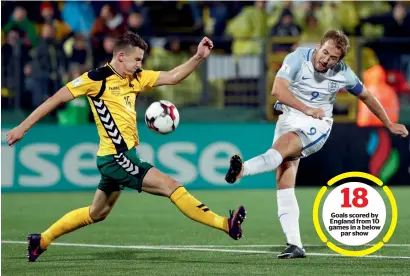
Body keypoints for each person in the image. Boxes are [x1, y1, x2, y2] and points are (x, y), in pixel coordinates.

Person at [6, 32, 246, 262]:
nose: (140, 64)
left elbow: (173, 76)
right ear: (121, 56)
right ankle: (226, 224)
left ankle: (42, 240)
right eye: (137, 59)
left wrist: (198, 57)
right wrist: (22, 128)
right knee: (171, 186)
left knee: (96, 213)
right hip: (116, 158)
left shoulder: (136, 77)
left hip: (119, 157)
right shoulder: (96, 79)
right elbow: (55, 99)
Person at [224, 29, 408, 259]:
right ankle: (295, 244)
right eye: (325, 53)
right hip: (290, 115)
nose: (326, 60)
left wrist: (389, 123)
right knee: (283, 179)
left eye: (333, 58)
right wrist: (305, 108)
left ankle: (243, 169)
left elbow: (367, 96)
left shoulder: (343, 73)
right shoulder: (298, 58)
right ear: (319, 46)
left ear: (339, 61)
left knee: (280, 150)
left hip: (317, 124)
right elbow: (277, 90)